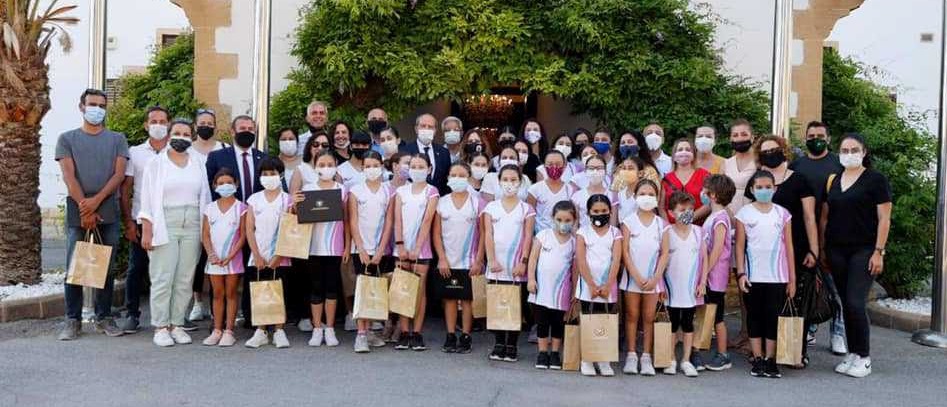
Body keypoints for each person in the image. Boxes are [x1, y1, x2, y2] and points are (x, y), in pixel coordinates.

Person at [56, 89, 130, 341]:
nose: (96, 109)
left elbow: (119, 175)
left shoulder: (117, 139)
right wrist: (84, 206)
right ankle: (72, 320)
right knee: (74, 265)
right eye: (92, 104)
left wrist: (96, 201)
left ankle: (103, 317)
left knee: (105, 265)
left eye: (101, 105)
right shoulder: (67, 139)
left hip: (108, 206)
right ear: (82, 106)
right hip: (78, 206)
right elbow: (69, 176)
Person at [821, 133, 891, 378]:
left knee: (855, 302)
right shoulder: (834, 180)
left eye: (854, 150)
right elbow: (826, 216)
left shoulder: (876, 180)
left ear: (864, 152)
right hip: (836, 250)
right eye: (844, 150)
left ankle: (864, 356)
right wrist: (823, 248)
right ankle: (853, 352)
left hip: (864, 250)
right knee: (845, 302)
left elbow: (884, 218)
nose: (849, 154)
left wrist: (878, 251)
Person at [139, 120, 212, 347]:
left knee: (185, 277)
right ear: (169, 135)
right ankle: (161, 326)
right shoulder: (156, 163)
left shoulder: (198, 162)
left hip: (192, 222)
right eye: (177, 133)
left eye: (186, 133)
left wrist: (205, 230)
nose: (182, 137)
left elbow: (206, 196)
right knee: (163, 276)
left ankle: (176, 324)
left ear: (192, 137)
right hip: (165, 222)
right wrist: (147, 230)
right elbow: (146, 199)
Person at [757, 134, 820, 367]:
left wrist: (814, 250)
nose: (769, 154)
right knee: (770, 302)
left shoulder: (799, 180)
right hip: (766, 251)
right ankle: (770, 351)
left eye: (773, 149)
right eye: (764, 152)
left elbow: (809, 217)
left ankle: (795, 352)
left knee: (796, 301)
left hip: (797, 247)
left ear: (783, 150)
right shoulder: (759, 180)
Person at [789, 121, 847, 354]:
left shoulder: (839, 165)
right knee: (808, 286)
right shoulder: (797, 165)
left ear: (828, 138)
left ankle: (838, 333)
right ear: (805, 138)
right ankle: (810, 328)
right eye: (811, 136)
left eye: (820, 135)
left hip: (834, 233)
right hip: (801, 233)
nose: (816, 139)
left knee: (836, 288)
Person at [205, 115, 267, 327]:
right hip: (226, 225)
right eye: (242, 128)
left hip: (256, 226)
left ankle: (252, 318)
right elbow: (210, 189)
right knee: (221, 274)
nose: (247, 131)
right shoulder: (217, 157)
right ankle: (219, 322)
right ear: (232, 131)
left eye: (251, 128)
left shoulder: (262, 157)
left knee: (253, 271)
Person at [735, 170, 797, 379]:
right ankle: (758, 357)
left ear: (775, 188)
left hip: (777, 276)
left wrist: (792, 279)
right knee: (754, 316)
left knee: (772, 317)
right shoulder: (744, 213)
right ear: (752, 190)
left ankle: (771, 359)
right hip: (753, 275)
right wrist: (741, 273)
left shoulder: (783, 214)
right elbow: (740, 246)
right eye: (759, 187)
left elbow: (789, 247)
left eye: (768, 187)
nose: (764, 190)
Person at [119, 106, 169, 334]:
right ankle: (132, 314)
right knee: (136, 268)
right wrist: (128, 222)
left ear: (168, 125)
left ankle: (174, 317)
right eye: (154, 121)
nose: (158, 125)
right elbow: (126, 189)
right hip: (142, 219)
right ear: (146, 125)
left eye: (163, 121)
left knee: (170, 269)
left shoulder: (176, 152)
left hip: (169, 220)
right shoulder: (135, 152)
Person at [291, 151, 349, 348]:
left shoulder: (342, 190)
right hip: (313, 247)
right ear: (315, 167)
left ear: (336, 166)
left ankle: (330, 328)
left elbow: (348, 220)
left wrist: (347, 246)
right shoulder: (308, 189)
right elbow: (296, 216)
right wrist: (295, 204)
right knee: (315, 288)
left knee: (332, 288)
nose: (326, 168)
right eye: (322, 164)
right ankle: (317, 328)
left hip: (334, 247)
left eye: (330, 164)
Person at [483, 164, 536, 363]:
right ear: (499, 182)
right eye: (505, 179)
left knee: (515, 306)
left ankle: (512, 344)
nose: (509, 184)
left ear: (520, 182)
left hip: (516, 267)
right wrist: (491, 259)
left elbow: (528, 236)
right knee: (497, 304)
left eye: (513, 180)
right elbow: (488, 235)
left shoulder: (527, 209)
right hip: (496, 265)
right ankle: (498, 343)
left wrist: (523, 262)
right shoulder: (491, 208)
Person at [433, 163, 486, 354]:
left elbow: (484, 233)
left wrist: (479, 260)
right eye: (453, 175)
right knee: (449, 298)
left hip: (469, 261)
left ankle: (465, 335)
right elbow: (436, 234)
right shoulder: (442, 202)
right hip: (448, 259)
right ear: (448, 177)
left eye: (462, 175)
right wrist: (441, 258)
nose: (457, 178)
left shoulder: (477, 202)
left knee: (467, 299)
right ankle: (450, 335)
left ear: (469, 177)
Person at [654, 191, 706, 377]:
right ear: (671, 212)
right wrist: (660, 285)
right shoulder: (667, 232)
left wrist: (702, 282)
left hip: (691, 288)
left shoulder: (698, 232)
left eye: (690, 209)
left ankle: (686, 360)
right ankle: (670, 359)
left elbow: (704, 259)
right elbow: (661, 260)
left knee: (688, 324)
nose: (687, 213)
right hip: (671, 288)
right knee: (673, 324)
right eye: (682, 210)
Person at [348, 151, 395, 353]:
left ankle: (369, 332)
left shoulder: (389, 191)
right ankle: (360, 334)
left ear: (382, 166)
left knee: (376, 290)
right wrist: (360, 248)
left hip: (381, 250)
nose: (372, 169)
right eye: (368, 166)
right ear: (362, 168)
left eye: (375, 165)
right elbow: (353, 221)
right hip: (361, 249)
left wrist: (381, 249)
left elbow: (389, 222)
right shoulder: (355, 191)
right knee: (363, 289)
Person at [243, 158, 292, 348]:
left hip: (281, 256)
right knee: (260, 292)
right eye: (265, 174)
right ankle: (261, 331)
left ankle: (279, 330)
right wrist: (256, 254)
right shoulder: (254, 199)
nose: (269, 177)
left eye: (273, 173)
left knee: (279, 292)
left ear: (280, 175)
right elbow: (249, 229)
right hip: (259, 255)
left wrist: (279, 255)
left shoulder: (287, 199)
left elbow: (291, 228)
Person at [393, 154, 440, 351]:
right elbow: (397, 219)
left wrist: (417, 248)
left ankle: (417, 332)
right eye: (413, 166)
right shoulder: (400, 191)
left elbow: (427, 220)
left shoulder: (432, 191)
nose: (417, 170)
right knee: (403, 289)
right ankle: (404, 332)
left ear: (429, 169)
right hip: (401, 249)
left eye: (421, 166)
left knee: (420, 291)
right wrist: (400, 245)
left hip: (422, 250)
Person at [619, 179, 665, 376]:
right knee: (631, 315)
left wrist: (655, 278)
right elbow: (625, 252)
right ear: (635, 196)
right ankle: (631, 355)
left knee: (648, 317)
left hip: (653, 280)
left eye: (651, 194)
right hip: (632, 279)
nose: (647, 197)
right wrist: (636, 276)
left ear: (657, 198)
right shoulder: (628, 222)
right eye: (642, 194)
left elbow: (664, 253)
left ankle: (646, 356)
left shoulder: (661, 224)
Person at [188, 109, 228, 324]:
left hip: (220, 212)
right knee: (197, 260)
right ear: (195, 126)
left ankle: (216, 306)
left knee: (217, 256)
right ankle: (197, 302)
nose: (206, 126)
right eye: (202, 123)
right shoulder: (187, 150)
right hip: (194, 212)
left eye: (210, 123)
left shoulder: (224, 149)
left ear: (215, 126)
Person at [575, 193, 622, 377]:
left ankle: (604, 359)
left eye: (604, 210)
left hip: (608, 286)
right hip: (588, 285)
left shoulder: (615, 233)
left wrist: (608, 285)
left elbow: (616, 260)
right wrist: (591, 285)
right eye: (596, 211)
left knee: (605, 320)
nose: (600, 214)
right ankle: (587, 359)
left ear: (610, 211)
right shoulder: (582, 232)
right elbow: (581, 260)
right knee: (588, 319)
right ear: (588, 213)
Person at [527, 200, 577, 370]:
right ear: (552, 218)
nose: (563, 224)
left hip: (562, 291)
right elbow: (533, 259)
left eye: (568, 220)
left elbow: (575, 269)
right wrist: (531, 279)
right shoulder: (543, 236)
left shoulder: (574, 242)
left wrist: (574, 292)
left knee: (557, 322)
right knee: (542, 321)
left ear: (574, 221)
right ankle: (542, 352)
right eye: (559, 219)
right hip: (541, 289)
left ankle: (555, 353)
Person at [200, 169, 246, 347]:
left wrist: (231, 255)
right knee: (217, 294)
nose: (225, 186)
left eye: (229, 182)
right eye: (220, 183)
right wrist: (211, 254)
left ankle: (229, 331)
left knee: (231, 293)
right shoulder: (210, 208)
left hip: (233, 260)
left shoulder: (241, 208)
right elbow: (205, 234)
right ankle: (217, 330)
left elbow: (243, 236)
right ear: (214, 186)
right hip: (214, 260)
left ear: (236, 184)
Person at [698, 174, 736, 371]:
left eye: (705, 190)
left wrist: (705, 274)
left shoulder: (720, 219)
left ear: (712, 195)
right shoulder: (714, 216)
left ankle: (723, 354)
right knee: (710, 312)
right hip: (711, 274)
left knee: (717, 315)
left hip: (715, 276)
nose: (702, 193)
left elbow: (718, 249)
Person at [662, 138, 711, 224]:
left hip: (699, 227)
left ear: (693, 155)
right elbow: (661, 207)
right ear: (674, 156)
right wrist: (668, 227)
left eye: (688, 150)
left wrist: (688, 218)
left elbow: (710, 202)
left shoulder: (704, 175)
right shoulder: (666, 179)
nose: (684, 152)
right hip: (673, 227)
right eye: (680, 150)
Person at [400, 114, 452, 195]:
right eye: (423, 126)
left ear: (435, 131)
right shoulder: (404, 151)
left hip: (438, 198)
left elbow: (446, 179)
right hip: (413, 197)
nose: (426, 129)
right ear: (416, 129)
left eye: (430, 127)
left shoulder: (444, 152)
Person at [528, 150, 574, 232]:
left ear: (564, 166)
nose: (554, 167)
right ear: (544, 166)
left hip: (564, 235)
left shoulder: (570, 190)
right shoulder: (534, 189)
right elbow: (530, 217)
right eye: (550, 164)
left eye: (558, 164)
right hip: (541, 236)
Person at [571, 156, 616, 229]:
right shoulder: (577, 196)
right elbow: (575, 226)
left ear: (605, 171)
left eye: (599, 168)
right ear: (585, 170)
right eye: (591, 168)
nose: (595, 171)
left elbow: (613, 226)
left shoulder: (612, 195)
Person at [724, 119, 757, 215]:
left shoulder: (760, 161)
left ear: (752, 137)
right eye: (735, 135)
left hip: (753, 215)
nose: (740, 139)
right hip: (729, 215)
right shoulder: (726, 163)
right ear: (730, 139)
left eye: (744, 134)